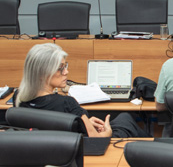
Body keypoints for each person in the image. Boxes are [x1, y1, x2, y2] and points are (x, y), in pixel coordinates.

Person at [14, 42, 145, 138]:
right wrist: (108, 132)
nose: (66, 72)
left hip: (47, 156)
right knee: (125, 118)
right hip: (85, 153)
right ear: (43, 73)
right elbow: (96, 140)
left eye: (65, 66)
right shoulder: (67, 104)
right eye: (60, 68)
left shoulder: (18, 99)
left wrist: (84, 122)